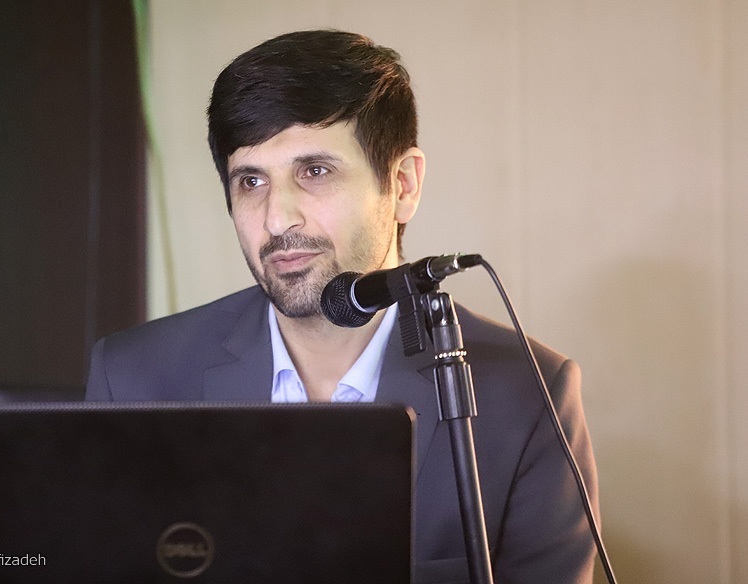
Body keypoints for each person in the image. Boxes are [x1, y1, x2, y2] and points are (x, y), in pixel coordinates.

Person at [86, 29, 599, 583]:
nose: (278, 218)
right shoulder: (134, 378)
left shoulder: (529, 393)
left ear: (402, 185)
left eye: (315, 171)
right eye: (251, 180)